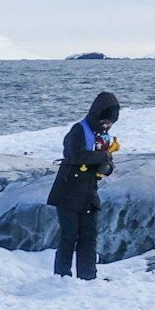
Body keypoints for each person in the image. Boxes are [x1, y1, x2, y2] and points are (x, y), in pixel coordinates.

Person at [47, 91, 121, 279]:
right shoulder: (78, 131)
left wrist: (107, 166)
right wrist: (104, 157)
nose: (107, 126)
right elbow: (75, 155)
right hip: (68, 191)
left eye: (110, 123)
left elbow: (105, 165)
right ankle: (61, 277)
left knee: (89, 236)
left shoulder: (102, 137)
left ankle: (88, 276)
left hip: (88, 193)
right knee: (69, 237)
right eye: (105, 121)